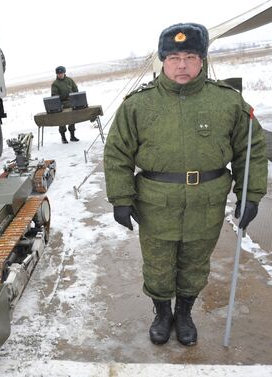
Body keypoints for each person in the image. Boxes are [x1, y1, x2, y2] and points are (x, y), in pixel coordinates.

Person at [103, 23, 268, 346]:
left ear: (202, 60)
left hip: (206, 203)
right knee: (158, 264)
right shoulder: (138, 105)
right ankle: (162, 314)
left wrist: (251, 194)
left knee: (195, 263)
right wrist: (121, 198)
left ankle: (185, 314)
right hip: (156, 204)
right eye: (174, 57)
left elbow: (251, 148)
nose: (182, 65)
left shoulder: (228, 103)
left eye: (190, 56)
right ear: (162, 61)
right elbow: (117, 152)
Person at [51, 66, 80, 143]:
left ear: (64, 73)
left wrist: (73, 96)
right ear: (57, 74)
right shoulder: (55, 84)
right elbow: (54, 96)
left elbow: (76, 90)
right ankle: (63, 137)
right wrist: (64, 97)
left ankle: (72, 136)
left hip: (71, 103)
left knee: (72, 119)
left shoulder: (69, 80)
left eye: (61, 73)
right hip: (61, 105)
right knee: (62, 121)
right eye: (58, 73)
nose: (60, 74)